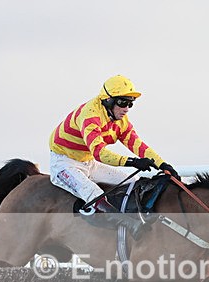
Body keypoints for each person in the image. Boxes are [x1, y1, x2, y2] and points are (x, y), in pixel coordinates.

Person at [49, 75, 180, 238]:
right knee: (93, 192)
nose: (127, 108)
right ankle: (128, 224)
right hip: (64, 163)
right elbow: (99, 153)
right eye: (123, 102)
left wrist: (163, 165)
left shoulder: (121, 121)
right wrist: (132, 162)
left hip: (87, 162)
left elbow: (137, 145)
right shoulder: (90, 115)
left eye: (130, 103)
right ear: (108, 101)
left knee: (132, 182)